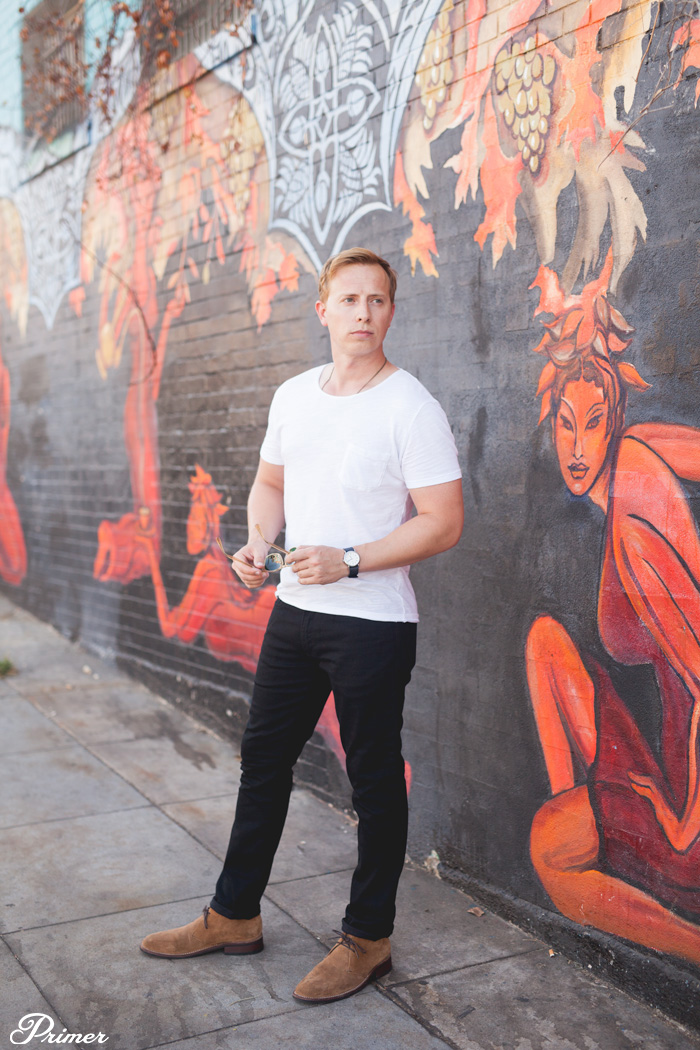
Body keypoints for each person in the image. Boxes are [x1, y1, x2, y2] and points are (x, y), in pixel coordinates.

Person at [140, 247, 464, 1002]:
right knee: (263, 761)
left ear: (390, 312)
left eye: (376, 301)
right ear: (323, 310)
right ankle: (233, 914)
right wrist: (258, 544)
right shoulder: (293, 397)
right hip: (294, 616)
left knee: (373, 781)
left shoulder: (410, 406)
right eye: (348, 300)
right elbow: (269, 483)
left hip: (373, 626)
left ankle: (367, 939)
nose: (362, 313)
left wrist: (351, 560)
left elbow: (444, 523)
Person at [526, 258, 700, 965]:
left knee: (548, 851)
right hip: (665, 770)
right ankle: (598, 818)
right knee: (545, 640)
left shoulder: (633, 533)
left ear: (614, 423)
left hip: (691, 811)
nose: (575, 446)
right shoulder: (638, 453)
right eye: (565, 424)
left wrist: (685, 826)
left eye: (592, 425)